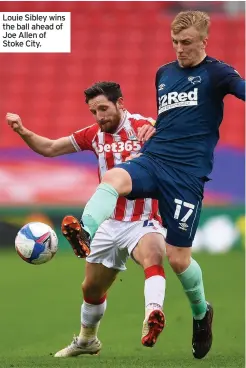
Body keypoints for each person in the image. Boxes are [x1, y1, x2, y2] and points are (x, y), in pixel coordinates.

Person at [53, 11, 245, 360]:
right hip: (155, 160)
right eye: (174, 42)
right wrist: (154, 129)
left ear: (204, 41)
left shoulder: (219, 73)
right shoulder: (164, 73)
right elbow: (171, 119)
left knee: (178, 259)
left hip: (187, 175)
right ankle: (85, 231)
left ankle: (202, 313)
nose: (179, 49)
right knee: (114, 178)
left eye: (186, 43)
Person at [6, 82, 167, 357]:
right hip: (109, 223)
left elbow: (175, 138)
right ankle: (86, 341)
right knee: (91, 288)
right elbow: (50, 148)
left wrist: (159, 129)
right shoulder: (93, 135)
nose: (99, 116)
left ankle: (153, 313)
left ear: (121, 103)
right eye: (94, 111)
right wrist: (22, 131)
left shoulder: (144, 126)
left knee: (152, 255)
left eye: (104, 108)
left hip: (143, 219)